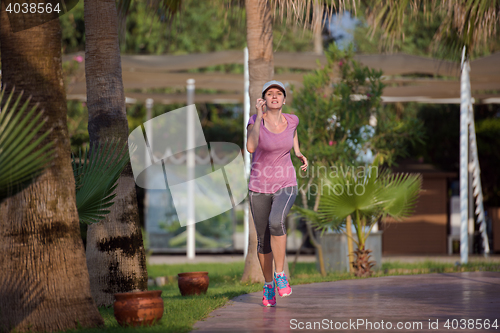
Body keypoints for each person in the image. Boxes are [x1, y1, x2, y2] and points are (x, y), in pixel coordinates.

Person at [246, 80, 308, 307]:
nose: (274, 96)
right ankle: (269, 284)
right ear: (264, 99)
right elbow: (251, 147)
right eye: (269, 94)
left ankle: (281, 275)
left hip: (285, 182)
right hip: (258, 186)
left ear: (284, 99)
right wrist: (257, 115)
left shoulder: (292, 120)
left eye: (278, 93)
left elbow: (293, 133)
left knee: (276, 222)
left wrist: (299, 152)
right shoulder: (254, 122)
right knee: (263, 241)